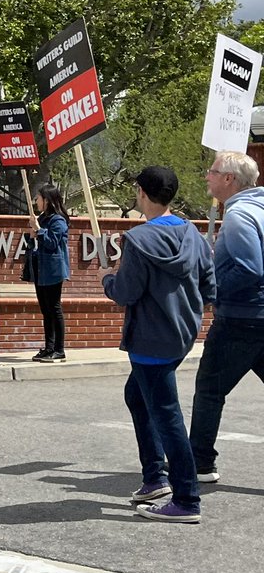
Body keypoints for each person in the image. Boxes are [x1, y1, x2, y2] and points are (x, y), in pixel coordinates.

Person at [101, 166, 214, 524]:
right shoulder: (193, 234)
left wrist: (108, 280)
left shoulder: (137, 241)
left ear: (142, 194)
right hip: (181, 335)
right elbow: (209, 284)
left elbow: (126, 293)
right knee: (137, 396)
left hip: (150, 339)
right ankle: (154, 479)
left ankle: (185, 498)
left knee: (166, 415)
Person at [189, 150, 264, 486]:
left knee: (208, 390)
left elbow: (250, 268)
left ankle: (200, 463)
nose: (208, 176)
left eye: (213, 171)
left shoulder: (239, 216)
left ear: (229, 179)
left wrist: (212, 293)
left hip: (240, 319)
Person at [30, 183, 70, 362]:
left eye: (38, 198)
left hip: (53, 270)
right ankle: (49, 347)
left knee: (54, 308)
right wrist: (32, 234)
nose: (36, 201)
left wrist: (38, 230)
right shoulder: (42, 218)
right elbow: (37, 242)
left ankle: (59, 349)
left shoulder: (58, 220)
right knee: (45, 310)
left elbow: (53, 243)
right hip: (41, 269)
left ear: (47, 200)